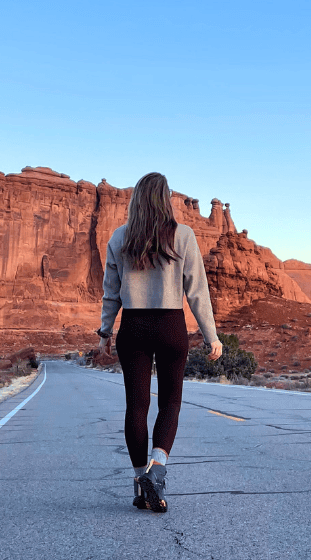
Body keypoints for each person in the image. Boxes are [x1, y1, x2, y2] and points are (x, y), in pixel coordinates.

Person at [98, 172, 223, 513]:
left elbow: (111, 294)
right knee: (170, 403)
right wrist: (211, 336)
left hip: (134, 327)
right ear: (166, 199)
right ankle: (158, 468)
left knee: (136, 406)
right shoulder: (183, 236)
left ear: (136, 200)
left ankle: (141, 482)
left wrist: (105, 334)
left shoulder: (120, 238)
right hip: (170, 325)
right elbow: (197, 290)